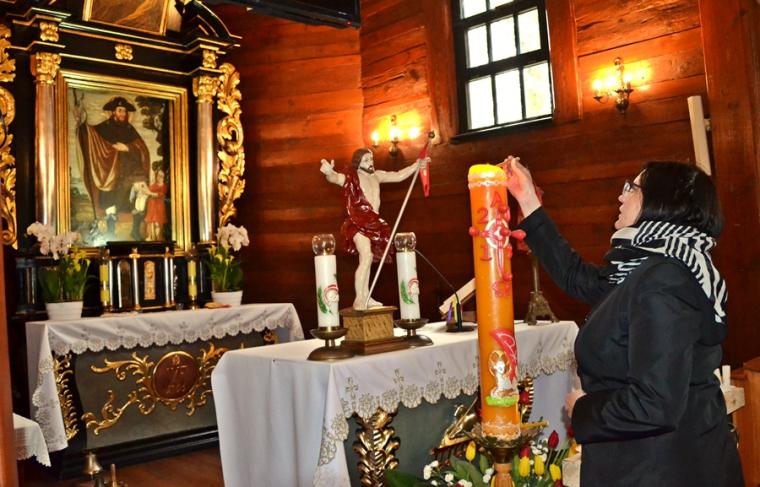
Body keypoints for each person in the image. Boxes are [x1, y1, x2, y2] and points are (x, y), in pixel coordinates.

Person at [504, 156, 743, 486]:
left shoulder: (664, 280)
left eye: (632, 188)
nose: (621, 195)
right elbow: (576, 276)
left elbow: (655, 403)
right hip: (654, 461)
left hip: (664, 469)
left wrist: (585, 409)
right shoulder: (646, 268)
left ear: (661, 202)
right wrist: (527, 198)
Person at [320, 148, 426, 309]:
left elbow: (398, 175)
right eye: (366, 160)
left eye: (371, 159)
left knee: (367, 260)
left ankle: (366, 296)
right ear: (358, 162)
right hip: (357, 222)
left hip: (373, 222)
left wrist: (416, 165)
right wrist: (329, 172)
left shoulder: (377, 175)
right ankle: (359, 299)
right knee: (367, 256)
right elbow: (335, 178)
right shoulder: (352, 177)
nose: (370, 162)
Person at [76, 96, 151, 216]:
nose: (123, 114)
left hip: (126, 172)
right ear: (113, 112)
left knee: (126, 203)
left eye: (124, 111)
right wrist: (81, 121)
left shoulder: (129, 129)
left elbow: (142, 150)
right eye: (120, 110)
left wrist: (127, 148)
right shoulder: (105, 126)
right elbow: (90, 134)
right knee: (108, 205)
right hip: (109, 171)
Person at [145, 169, 168, 241]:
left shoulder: (164, 186)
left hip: (159, 206)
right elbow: (147, 191)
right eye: (158, 175)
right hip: (152, 205)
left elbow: (159, 194)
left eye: (162, 176)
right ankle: (150, 237)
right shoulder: (153, 185)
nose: (160, 177)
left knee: (158, 222)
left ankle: (158, 238)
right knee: (151, 222)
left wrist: (150, 193)